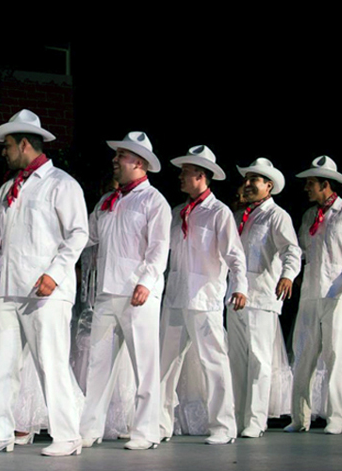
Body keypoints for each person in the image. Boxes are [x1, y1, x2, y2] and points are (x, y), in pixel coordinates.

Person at [0, 109, 89, 457]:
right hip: (9, 286)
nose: (3, 152)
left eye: (7, 146)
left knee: (51, 364)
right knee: (3, 366)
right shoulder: (9, 187)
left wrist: (54, 273)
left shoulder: (62, 184)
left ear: (24, 144)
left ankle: (67, 436)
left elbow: (78, 233)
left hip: (45, 289)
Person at [80, 132, 170, 450]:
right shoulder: (107, 201)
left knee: (144, 365)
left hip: (137, 293)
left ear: (139, 163)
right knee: (98, 364)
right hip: (107, 291)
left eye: (122, 155)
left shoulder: (153, 201)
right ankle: (90, 429)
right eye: (116, 155)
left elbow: (159, 247)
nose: (115, 160)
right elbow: (85, 236)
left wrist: (146, 281)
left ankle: (147, 432)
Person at [159, 145, 247, 445]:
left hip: (204, 298)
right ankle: (160, 423)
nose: (180, 177)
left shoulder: (219, 213)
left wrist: (239, 287)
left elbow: (235, 256)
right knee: (165, 364)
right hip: (175, 296)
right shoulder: (176, 212)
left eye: (185, 172)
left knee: (214, 362)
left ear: (200, 175)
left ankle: (223, 426)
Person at [228, 158, 300, 438]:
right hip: (236, 294)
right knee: (236, 359)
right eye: (246, 179)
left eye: (254, 180)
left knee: (259, 360)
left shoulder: (276, 215)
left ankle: (256, 421)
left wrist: (288, 275)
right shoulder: (239, 215)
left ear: (268, 186)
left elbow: (291, 250)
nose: (247, 184)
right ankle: (237, 417)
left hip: (261, 295)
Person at [285, 156, 342, 435]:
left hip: (339, 293)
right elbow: (302, 250)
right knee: (303, 354)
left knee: (335, 354)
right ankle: (299, 418)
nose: (306, 189)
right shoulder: (308, 215)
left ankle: (336, 417)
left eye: (310, 184)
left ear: (325, 184)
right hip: (311, 293)